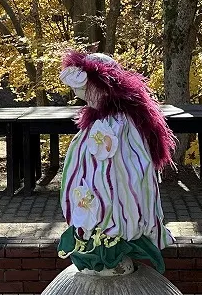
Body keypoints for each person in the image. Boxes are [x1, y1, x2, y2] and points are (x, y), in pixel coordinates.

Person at [56, 51, 176, 272]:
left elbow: (132, 166)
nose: (83, 96)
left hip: (117, 166)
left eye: (85, 91)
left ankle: (117, 234)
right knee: (97, 190)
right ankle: (99, 231)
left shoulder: (121, 125)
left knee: (119, 186)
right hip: (92, 179)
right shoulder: (98, 120)